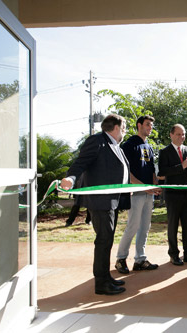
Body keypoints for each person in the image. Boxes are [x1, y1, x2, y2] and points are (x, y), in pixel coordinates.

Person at [60, 114, 129, 295]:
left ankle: (106, 277)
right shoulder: (97, 141)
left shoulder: (115, 146)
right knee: (103, 240)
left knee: (107, 240)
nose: (125, 131)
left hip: (112, 201)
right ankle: (101, 283)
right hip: (100, 201)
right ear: (116, 127)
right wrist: (70, 178)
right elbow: (80, 163)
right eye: (124, 127)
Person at [115, 115, 161, 275]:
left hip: (149, 193)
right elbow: (126, 172)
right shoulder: (129, 145)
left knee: (145, 227)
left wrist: (154, 185)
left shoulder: (148, 146)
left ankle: (140, 259)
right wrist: (143, 187)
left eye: (151, 125)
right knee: (133, 226)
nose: (150, 128)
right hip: (136, 192)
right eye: (147, 125)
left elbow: (151, 169)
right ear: (139, 125)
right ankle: (120, 259)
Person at [158, 124, 187, 265]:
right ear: (171, 135)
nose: (181, 137)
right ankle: (173, 254)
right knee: (173, 225)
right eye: (178, 134)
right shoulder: (164, 152)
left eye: (183, 134)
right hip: (172, 194)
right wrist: (182, 166)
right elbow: (162, 172)